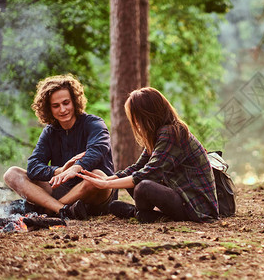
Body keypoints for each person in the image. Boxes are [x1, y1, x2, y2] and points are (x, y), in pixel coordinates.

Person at [78, 87, 219, 223]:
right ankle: (144, 214)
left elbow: (150, 173)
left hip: (196, 206)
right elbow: (137, 167)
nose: (136, 124)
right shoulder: (157, 135)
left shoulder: (171, 132)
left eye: (136, 118)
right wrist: (107, 180)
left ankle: (139, 213)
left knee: (143, 186)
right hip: (180, 197)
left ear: (147, 115)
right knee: (133, 180)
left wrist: (106, 184)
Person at [3, 74, 115, 220]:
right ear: (49, 109)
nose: (62, 109)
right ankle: (62, 210)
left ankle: (47, 209)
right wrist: (59, 171)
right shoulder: (50, 131)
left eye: (66, 103)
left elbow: (98, 149)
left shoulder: (94, 124)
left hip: (94, 194)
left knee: (97, 176)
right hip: (63, 189)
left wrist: (77, 167)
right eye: (56, 106)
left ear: (74, 102)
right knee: (12, 174)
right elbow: (33, 167)